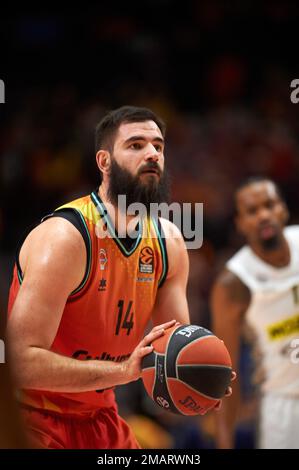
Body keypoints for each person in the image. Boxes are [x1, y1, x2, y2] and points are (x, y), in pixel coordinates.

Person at [7, 106, 233, 449]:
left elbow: (172, 348)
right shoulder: (66, 238)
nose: (152, 154)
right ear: (104, 162)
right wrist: (123, 371)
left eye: (158, 146)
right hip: (29, 417)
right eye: (136, 145)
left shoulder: (169, 243)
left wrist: (197, 377)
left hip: (101, 418)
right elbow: (19, 361)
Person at [211, 176, 299, 449]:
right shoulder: (233, 283)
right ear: (240, 224)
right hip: (284, 405)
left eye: (269, 205)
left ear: (282, 209)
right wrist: (225, 442)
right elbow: (227, 373)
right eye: (252, 211)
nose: (263, 215)